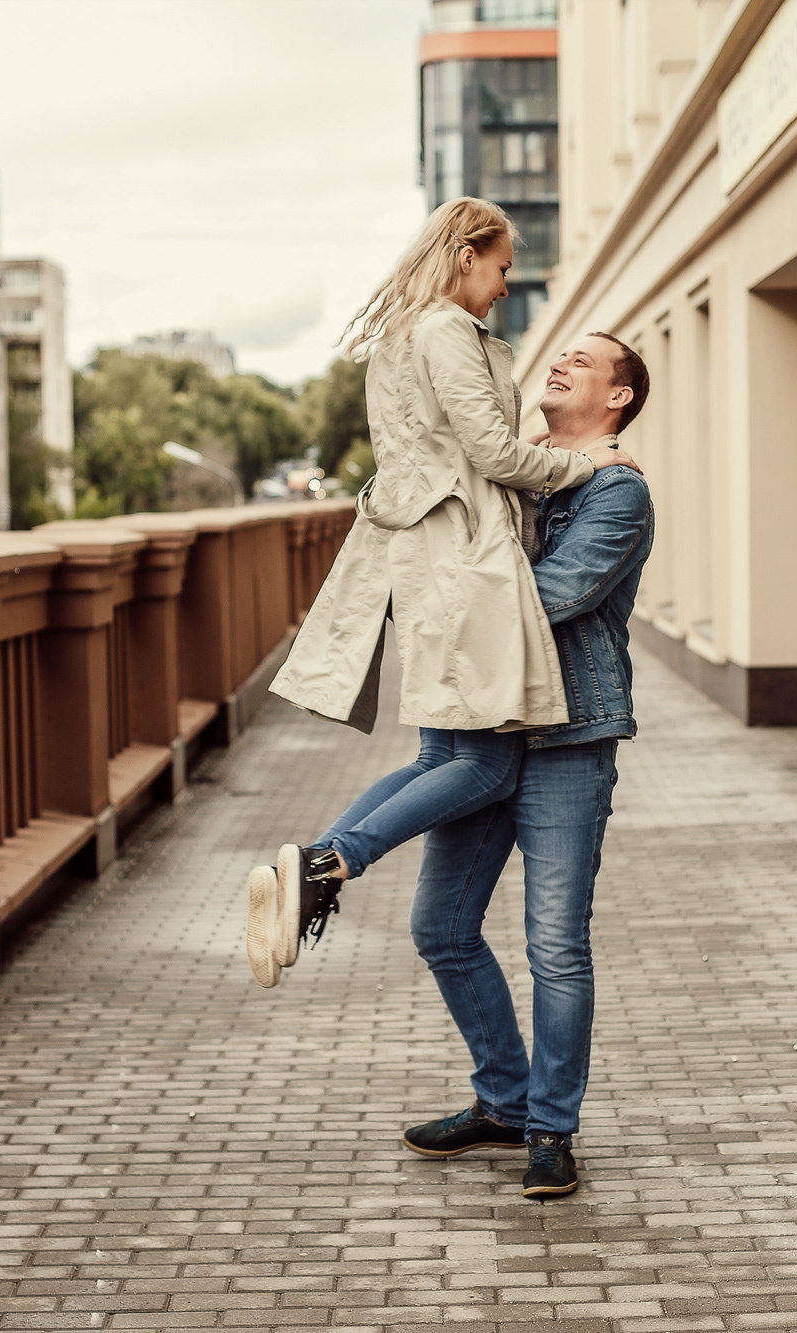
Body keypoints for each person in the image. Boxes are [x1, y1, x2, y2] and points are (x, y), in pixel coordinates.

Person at [246, 198, 637, 987]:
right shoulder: (447, 330)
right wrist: (585, 462)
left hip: (428, 568)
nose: (505, 287)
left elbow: (450, 453)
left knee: (441, 758)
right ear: (467, 256)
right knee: (483, 768)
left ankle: (312, 869)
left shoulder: (403, 337)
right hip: (467, 569)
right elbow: (490, 455)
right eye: (501, 268)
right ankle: (329, 861)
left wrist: (524, 452)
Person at [398, 331, 653, 1200]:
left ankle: (549, 1127)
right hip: (485, 732)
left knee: (556, 947)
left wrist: (440, 600)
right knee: (441, 927)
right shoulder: (519, 472)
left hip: (568, 740)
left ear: (617, 397)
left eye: (584, 360)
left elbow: (552, 595)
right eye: (561, 356)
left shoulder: (617, 491)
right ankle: (504, 1100)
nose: (561, 363)